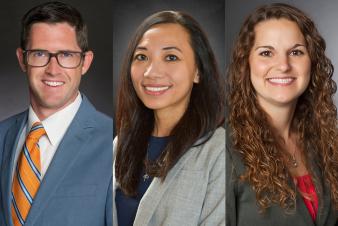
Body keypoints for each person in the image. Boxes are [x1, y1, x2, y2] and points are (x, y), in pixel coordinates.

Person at [0, 2, 112, 226]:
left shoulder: (113, 140)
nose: (53, 69)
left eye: (67, 55)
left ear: (85, 62)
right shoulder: (1, 135)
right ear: (22, 59)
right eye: (40, 53)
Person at [226, 3, 338, 226]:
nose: (283, 65)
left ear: (312, 61)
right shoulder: (225, 150)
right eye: (266, 53)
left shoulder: (326, 141)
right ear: (246, 64)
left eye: (296, 52)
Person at [113, 11, 225, 226]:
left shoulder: (219, 152)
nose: (151, 72)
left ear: (198, 71)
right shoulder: (120, 144)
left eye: (171, 57)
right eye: (142, 57)